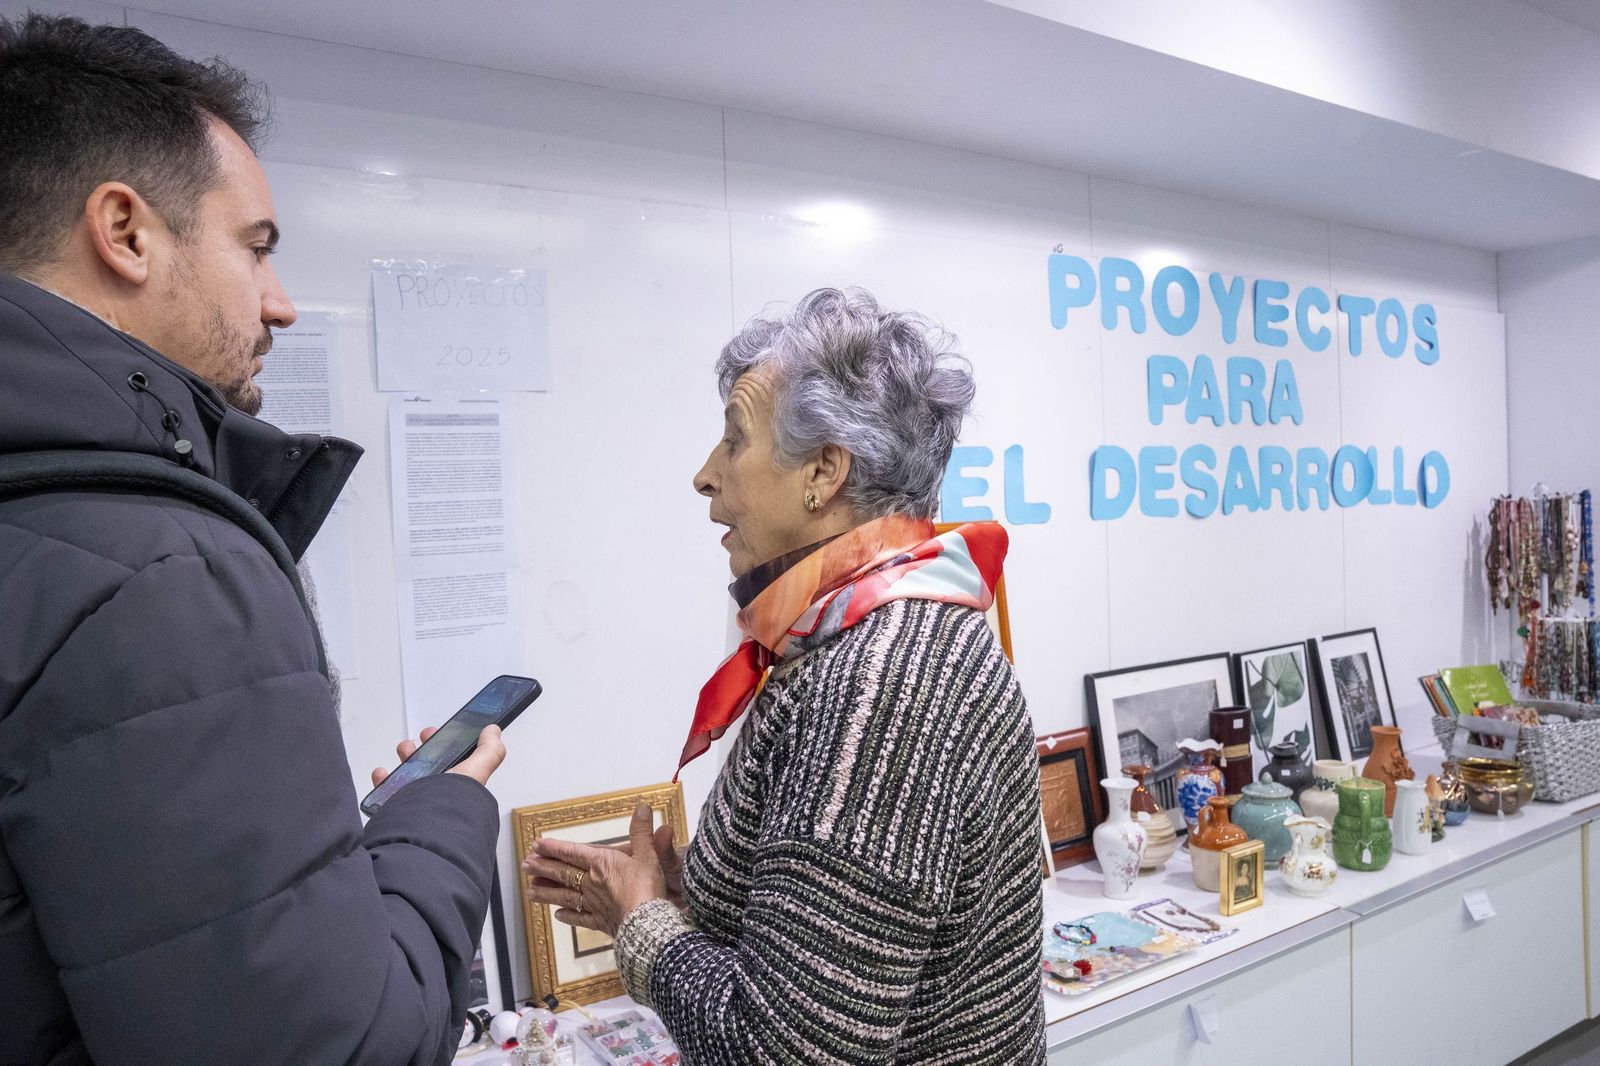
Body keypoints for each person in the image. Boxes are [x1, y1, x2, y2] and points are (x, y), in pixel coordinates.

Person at [0, 15, 504, 1064]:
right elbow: (339, 1047)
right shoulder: (164, 574)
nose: (277, 304)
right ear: (126, 231)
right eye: (256, 248)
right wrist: (440, 819)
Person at [525, 288, 1047, 1063]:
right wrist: (689, 904)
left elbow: (787, 1052)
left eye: (734, 440)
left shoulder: (879, 682)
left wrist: (646, 928)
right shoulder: (874, 634)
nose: (705, 475)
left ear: (823, 473)